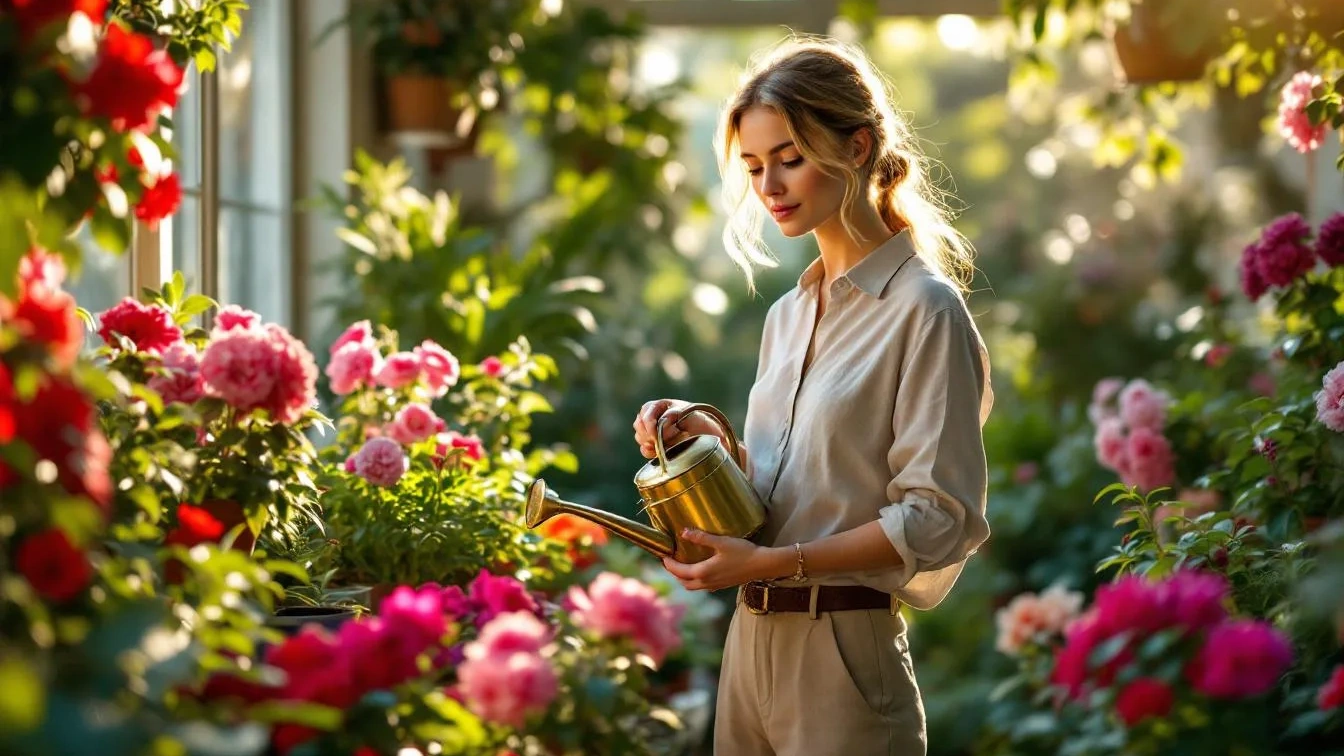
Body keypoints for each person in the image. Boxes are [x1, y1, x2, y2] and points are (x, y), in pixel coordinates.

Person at [632, 37, 993, 755]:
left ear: (857, 148)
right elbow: (783, 492)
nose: (770, 186)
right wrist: (700, 436)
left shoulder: (924, 309)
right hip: (749, 646)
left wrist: (770, 564)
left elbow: (937, 519)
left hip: (844, 659)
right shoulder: (788, 314)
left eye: (790, 158)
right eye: (755, 165)